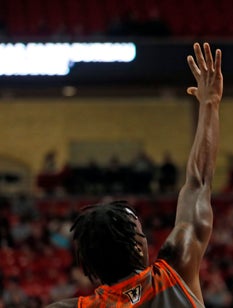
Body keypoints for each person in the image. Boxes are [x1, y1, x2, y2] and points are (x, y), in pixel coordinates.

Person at [46, 42, 223, 308]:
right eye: (141, 232)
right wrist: (210, 105)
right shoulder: (177, 268)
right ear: (138, 247)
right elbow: (198, 183)